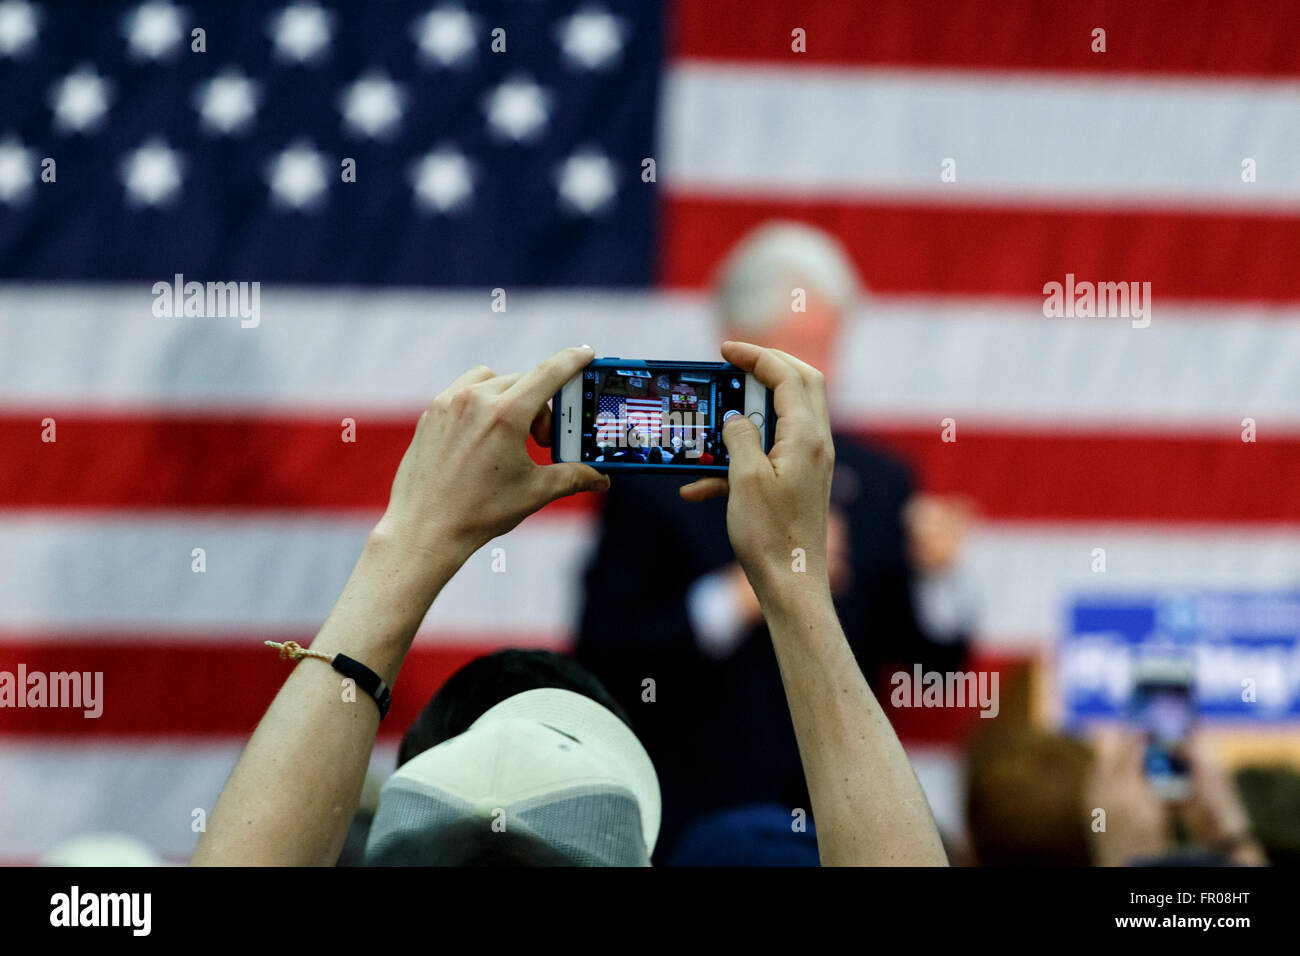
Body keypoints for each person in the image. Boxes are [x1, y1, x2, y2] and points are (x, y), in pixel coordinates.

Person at [191, 343, 948, 866]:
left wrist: (410, 542)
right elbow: (616, 640)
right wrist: (795, 588)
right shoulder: (651, 512)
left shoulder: (887, 482)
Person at [576, 223, 975, 859]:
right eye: (795, 349)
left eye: (829, 348)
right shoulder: (654, 476)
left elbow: (933, 667)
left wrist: (938, 576)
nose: (817, 375)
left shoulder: (879, 481)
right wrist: (735, 599)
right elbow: (604, 653)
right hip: (693, 825)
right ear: (734, 344)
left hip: (837, 822)